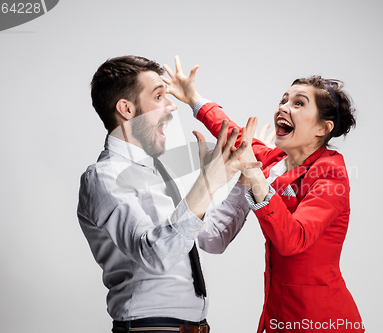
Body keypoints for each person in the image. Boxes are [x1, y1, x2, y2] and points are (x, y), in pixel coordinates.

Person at [164, 56, 364, 332]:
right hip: (279, 313)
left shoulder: (331, 173)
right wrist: (193, 98)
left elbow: (293, 239)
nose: (284, 107)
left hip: (322, 320)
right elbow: (233, 133)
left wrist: (254, 175)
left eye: (298, 103)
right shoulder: (277, 159)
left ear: (322, 128)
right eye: (284, 100)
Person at [77, 55, 260, 333]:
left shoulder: (158, 173)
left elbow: (211, 237)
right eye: (159, 96)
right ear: (126, 108)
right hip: (150, 328)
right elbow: (155, 255)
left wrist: (247, 177)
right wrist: (207, 182)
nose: (172, 105)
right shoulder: (104, 177)